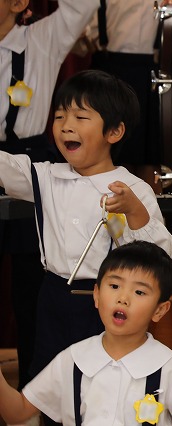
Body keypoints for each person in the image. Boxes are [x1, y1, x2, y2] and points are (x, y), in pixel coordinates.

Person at [0, 69, 172, 425]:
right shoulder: (47, 176)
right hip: (52, 296)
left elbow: (159, 255)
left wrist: (134, 212)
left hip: (105, 304)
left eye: (80, 118)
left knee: (101, 387)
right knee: (50, 386)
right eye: (60, 116)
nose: (66, 126)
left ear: (114, 132)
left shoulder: (132, 188)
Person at [0, 0, 100, 405]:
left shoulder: (42, 38)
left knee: (32, 287)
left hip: (29, 166)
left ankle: (35, 395)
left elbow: (83, 5)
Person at [0, 240, 172, 425]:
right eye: (115, 285)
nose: (123, 298)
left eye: (139, 291)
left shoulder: (168, 367)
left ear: (159, 310)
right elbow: (17, 414)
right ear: (97, 295)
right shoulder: (72, 359)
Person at [72, 0, 172, 193]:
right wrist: (79, 33)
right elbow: (77, 39)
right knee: (111, 155)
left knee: (152, 159)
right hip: (108, 73)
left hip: (158, 75)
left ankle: (150, 210)